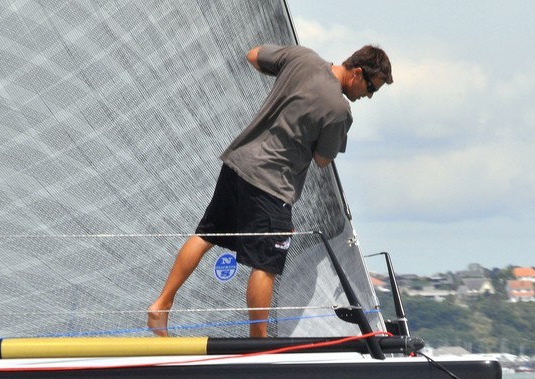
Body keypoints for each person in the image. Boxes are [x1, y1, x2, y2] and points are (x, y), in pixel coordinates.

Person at [147, 44, 392, 337]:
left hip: (237, 163)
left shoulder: (302, 58)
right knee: (266, 264)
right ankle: (258, 342)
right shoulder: (340, 110)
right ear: (356, 73)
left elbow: (253, 55)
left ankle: (161, 306)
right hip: (271, 185)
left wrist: (283, 78)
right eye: (370, 88)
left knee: (206, 235)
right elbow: (323, 160)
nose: (368, 96)